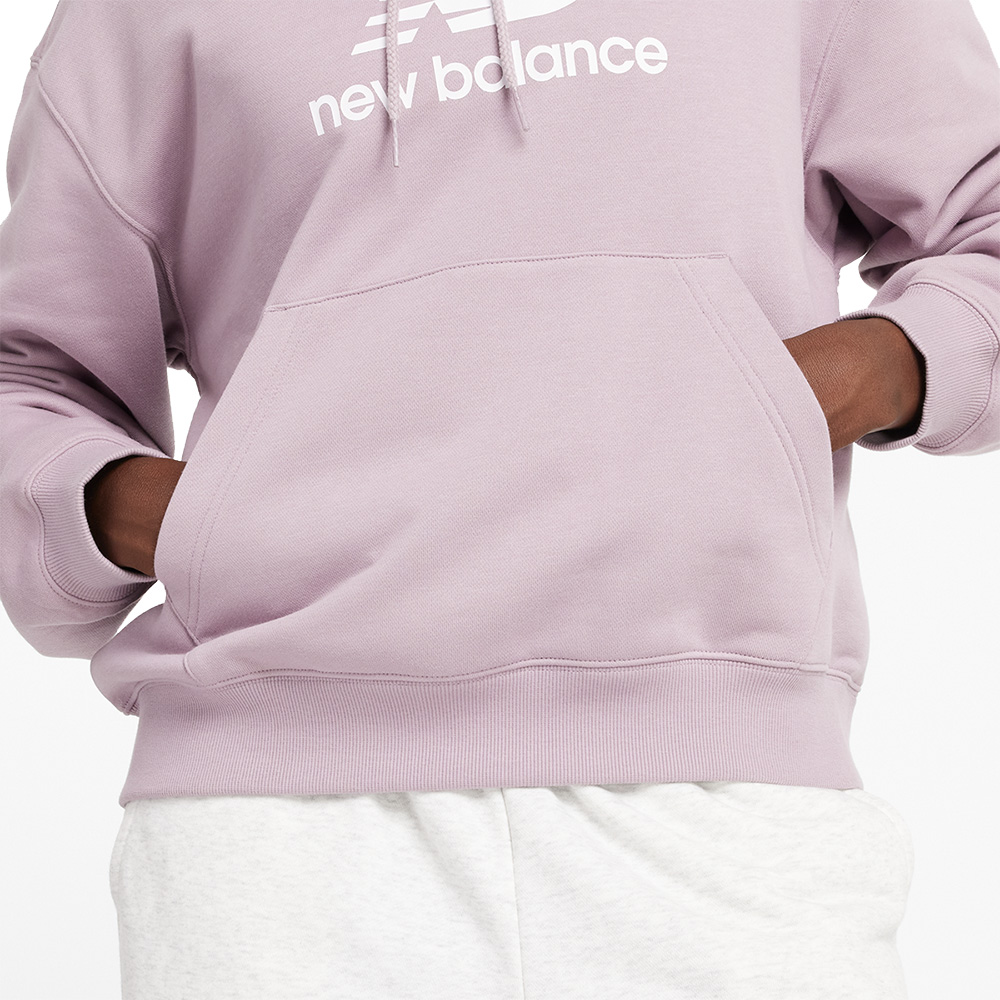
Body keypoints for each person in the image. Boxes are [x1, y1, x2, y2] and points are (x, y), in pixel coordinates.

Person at [1, 0, 997, 996]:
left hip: (729, 793)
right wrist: (186, 517)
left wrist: (822, 386)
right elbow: (32, 375)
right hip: (274, 833)